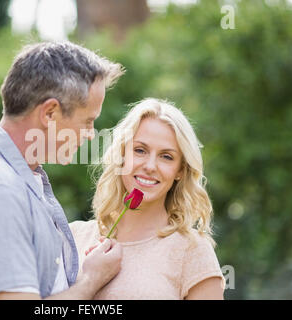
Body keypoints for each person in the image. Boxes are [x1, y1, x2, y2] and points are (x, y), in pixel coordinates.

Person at [0, 41, 125, 300]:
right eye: (87, 121)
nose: (89, 134)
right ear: (50, 113)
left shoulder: (23, 180)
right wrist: (91, 281)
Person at [70, 98, 226, 300]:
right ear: (122, 155)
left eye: (166, 156)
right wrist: (91, 279)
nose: (150, 166)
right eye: (140, 150)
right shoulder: (72, 237)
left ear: (180, 170)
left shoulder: (192, 250)